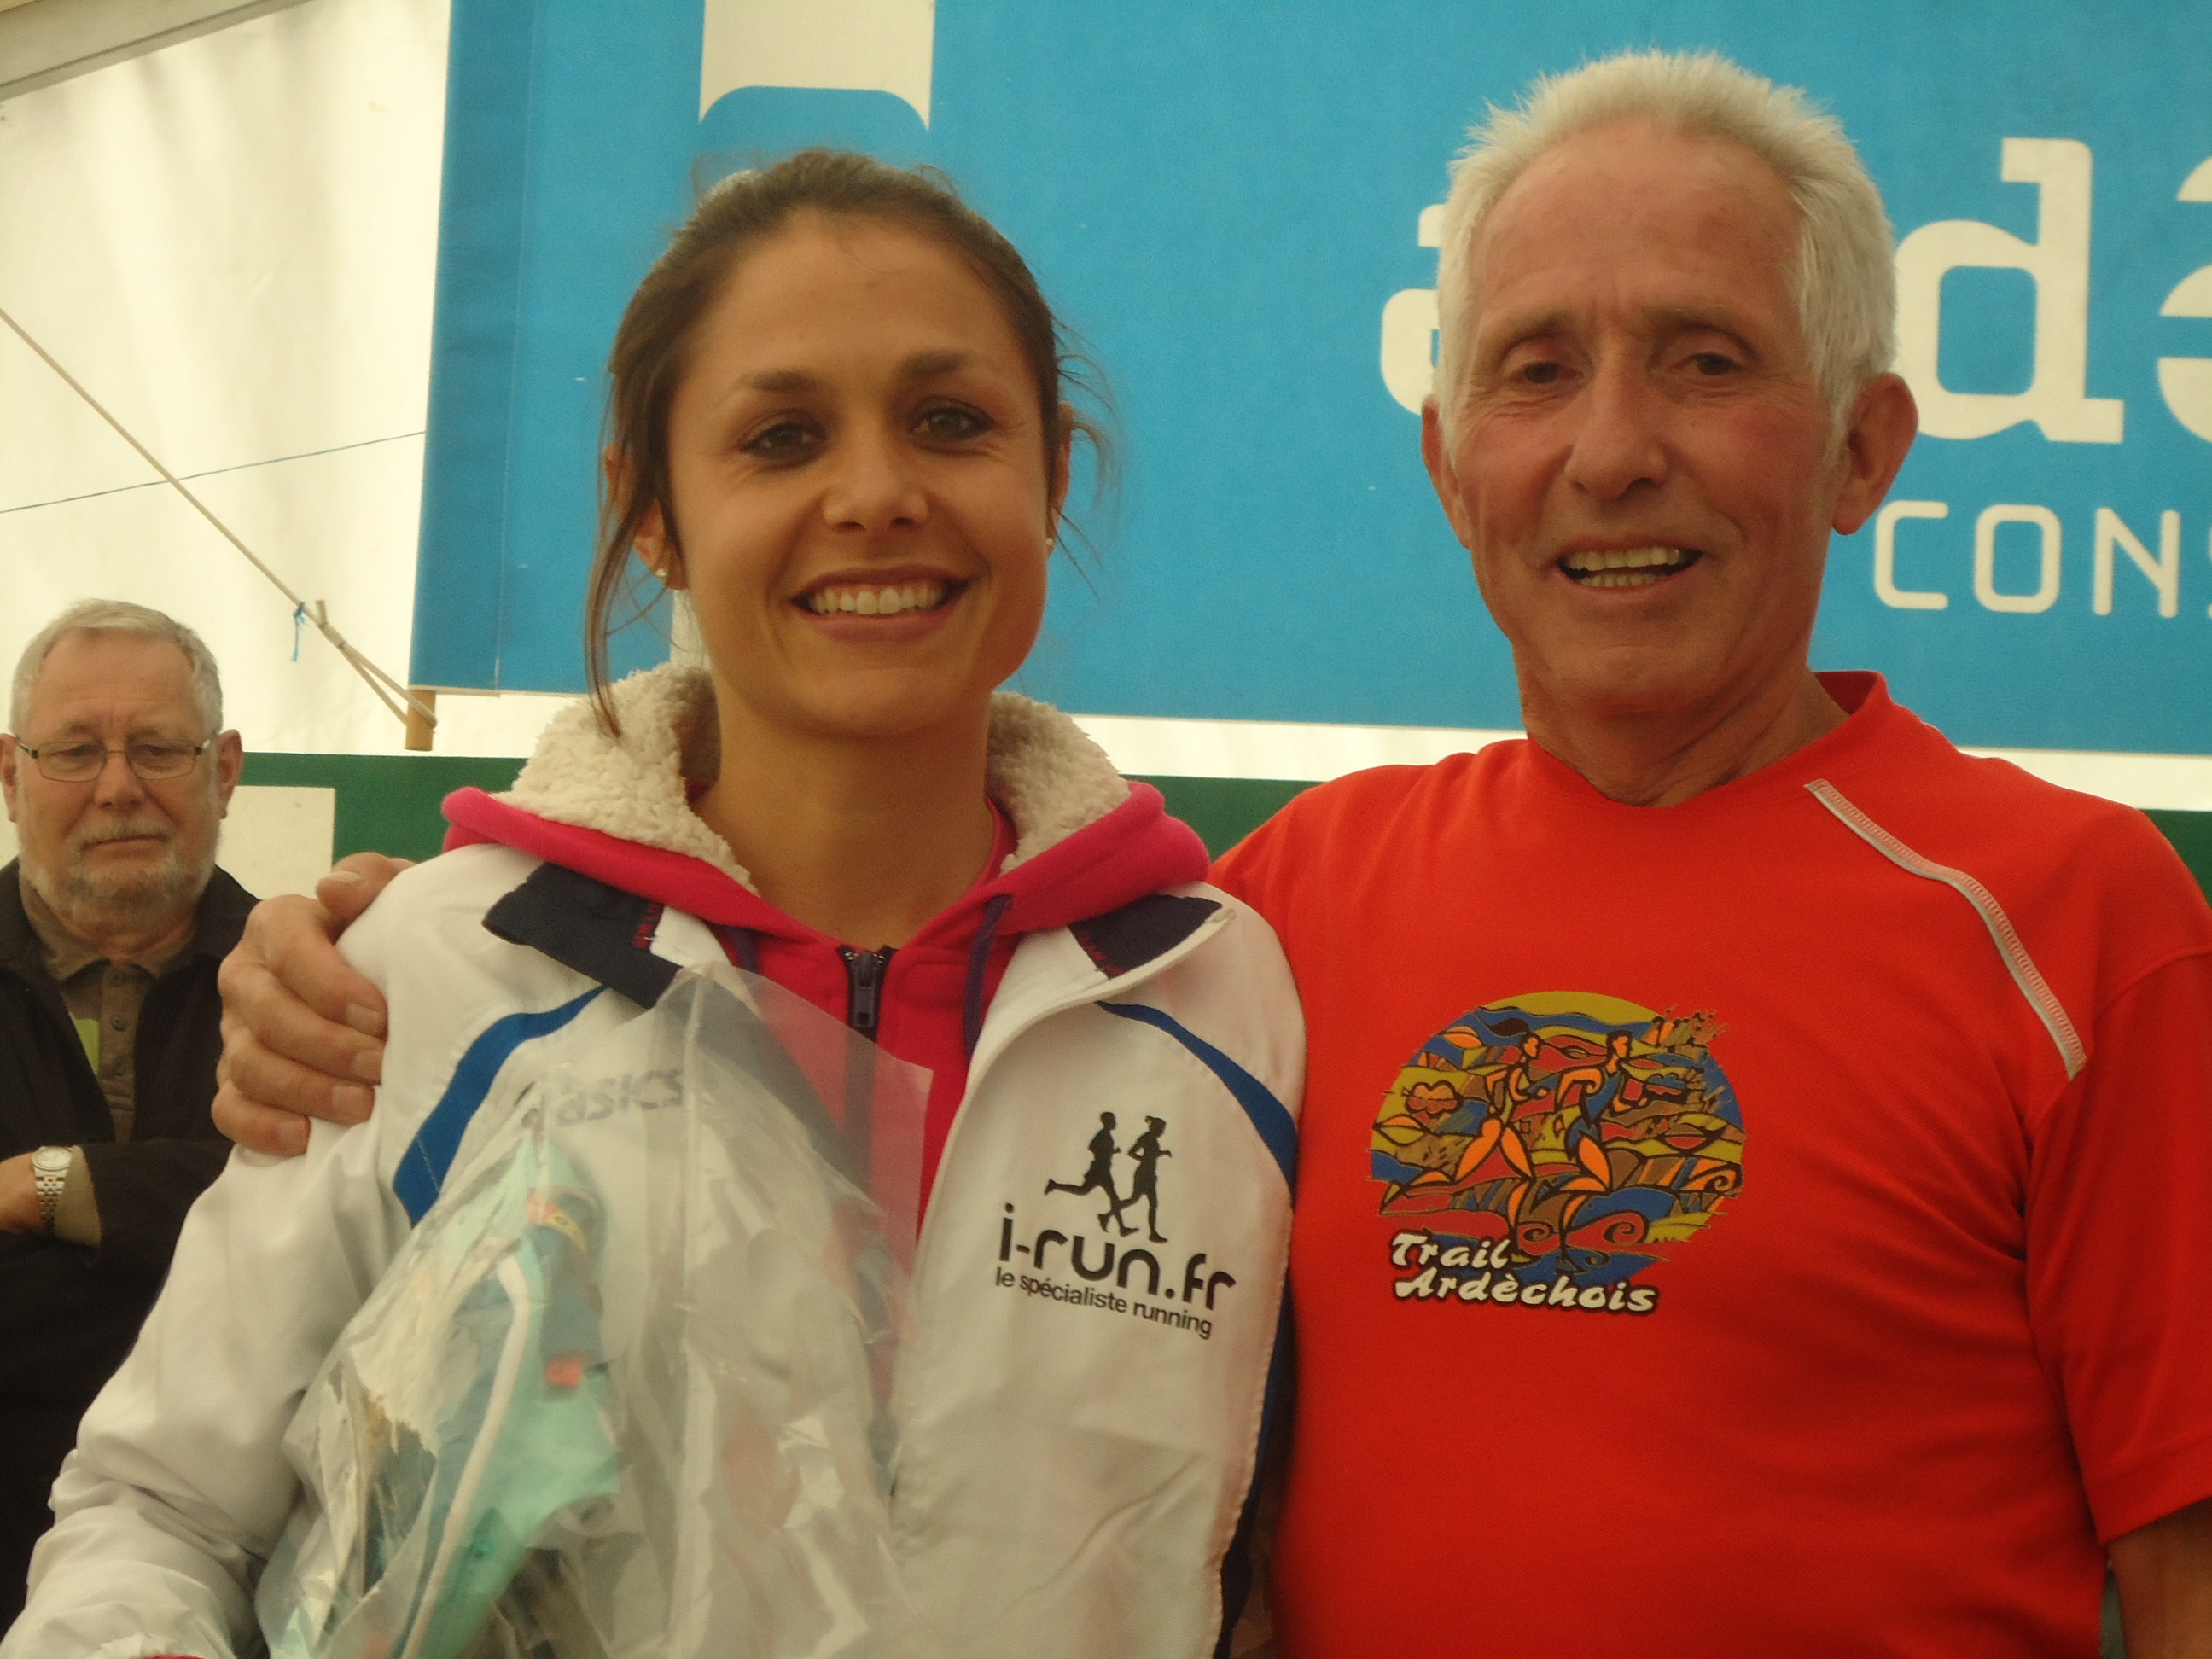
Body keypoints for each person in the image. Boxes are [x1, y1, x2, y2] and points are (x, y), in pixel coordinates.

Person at [214, 50, 2212, 1656]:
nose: (1612, 449)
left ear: (1863, 446)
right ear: (1450, 465)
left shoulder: (2082, 924)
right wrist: (382, 952)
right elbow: (865, 969)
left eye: (1705, 358)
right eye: (1535, 370)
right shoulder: (1271, 923)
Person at [3, 152, 1300, 1659]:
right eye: (781, 435)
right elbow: (160, 1506)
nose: (877, 494)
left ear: (1052, 472)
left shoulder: (1226, 998)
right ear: (653, 511)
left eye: (951, 419)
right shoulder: (434, 970)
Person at [0, 602, 250, 1626]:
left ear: (223, 770)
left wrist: (45, 1188)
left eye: (157, 748)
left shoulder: (319, 987)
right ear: (10, 777)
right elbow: (262, 1252)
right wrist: (208, 1223)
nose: (117, 787)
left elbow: (353, 1252)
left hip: (241, 1595)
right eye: (74, 752)